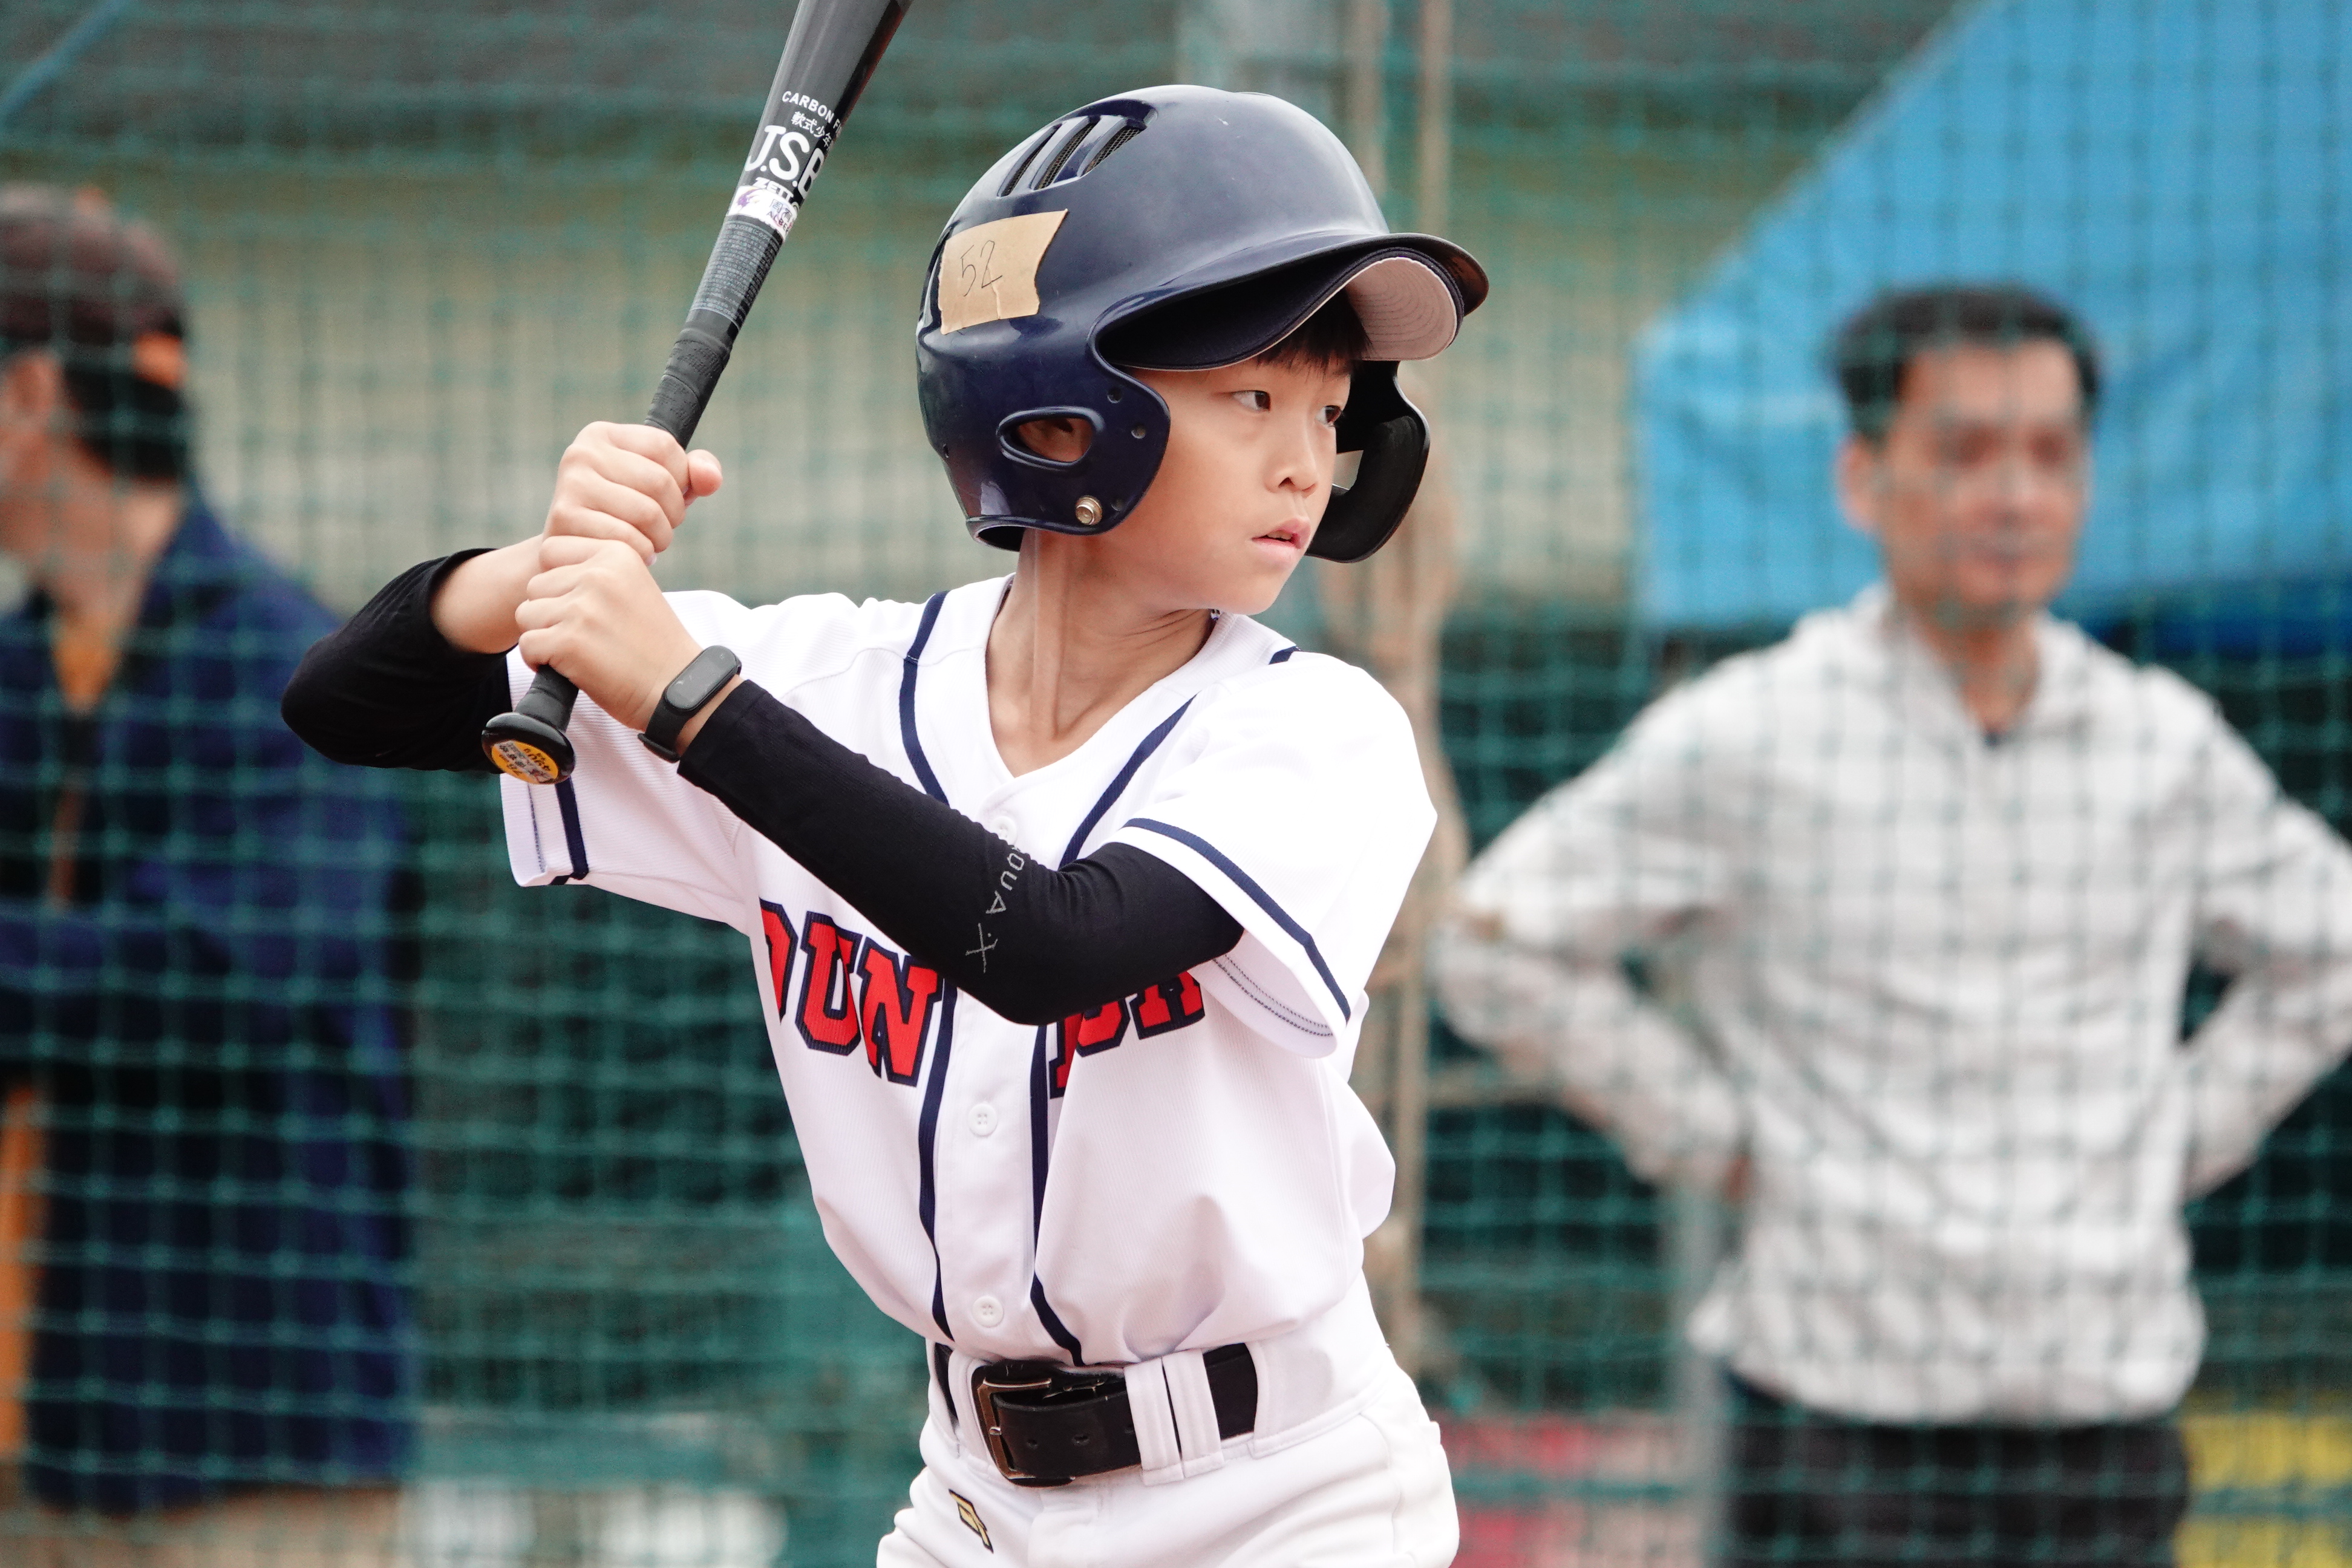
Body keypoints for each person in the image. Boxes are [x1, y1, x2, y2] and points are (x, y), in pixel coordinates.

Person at [284, 87, 1484, 1566]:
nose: (1307, 460)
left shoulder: (1314, 730)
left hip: (1284, 1499)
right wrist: (551, 562)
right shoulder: (831, 682)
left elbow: (1051, 946)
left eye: (1327, 409)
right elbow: (349, 701)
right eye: (1252, 399)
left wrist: (688, 702)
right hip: (976, 1499)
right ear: (1055, 410)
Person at [1434, 283, 2352, 1566]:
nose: (2014, 495)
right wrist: (1716, 1137)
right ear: (1863, 477)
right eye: (1964, 452)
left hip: (2104, 1416)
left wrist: (2171, 1141)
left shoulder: (2162, 745)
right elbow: (1493, 943)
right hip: (1830, 1419)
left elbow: (2331, 947)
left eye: (2051, 453)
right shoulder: (1755, 731)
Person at [0, 188, 414, 1566]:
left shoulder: (293, 670)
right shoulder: (22, 673)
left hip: (248, 1448)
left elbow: (206, 981)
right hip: (43, 1434)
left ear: (33, 396)